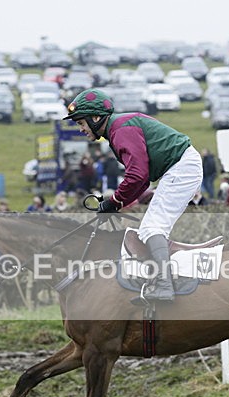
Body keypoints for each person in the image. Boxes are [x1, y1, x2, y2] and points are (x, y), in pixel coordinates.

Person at [64, 88, 202, 303]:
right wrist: (116, 203)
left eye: (81, 123)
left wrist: (115, 201)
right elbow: (142, 179)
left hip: (181, 167)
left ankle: (164, 285)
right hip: (179, 167)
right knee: (150, 228)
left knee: (151, 228)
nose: (80, 129)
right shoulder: (118, 129)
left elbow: (138, 175)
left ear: (96, 117)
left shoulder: (120, 130)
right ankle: (163, 280)